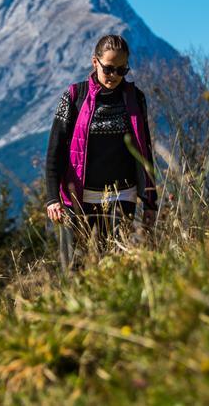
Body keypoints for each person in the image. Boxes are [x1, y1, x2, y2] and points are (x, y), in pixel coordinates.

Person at [44, 34, 158, 262]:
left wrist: (150, 203)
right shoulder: (74, 96)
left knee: (114, 266)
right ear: (95, 62)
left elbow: (144, 152)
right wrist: (51, 198)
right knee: (76, 270)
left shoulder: (136, 98)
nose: (114, 75)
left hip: (121, 198)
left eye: (121, 70)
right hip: (78, 200)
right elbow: (54, 150)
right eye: (108, 69)